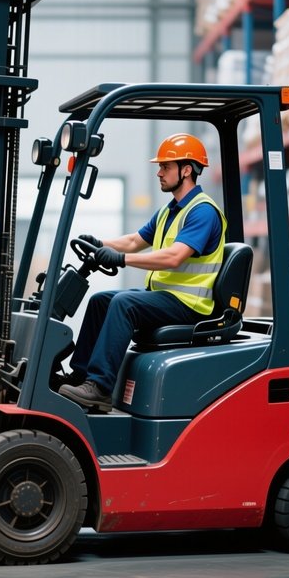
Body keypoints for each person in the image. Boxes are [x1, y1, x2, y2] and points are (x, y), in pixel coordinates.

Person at [58, 133, 227, 412]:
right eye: (159, 167)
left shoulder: (203, 212)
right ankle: (82, 375)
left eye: (165, 167)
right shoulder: (169, 211)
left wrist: (122, 259)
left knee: (124, 304)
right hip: (166, 297)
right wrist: (100, 243)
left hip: (190, 305)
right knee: (102, 301)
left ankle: (100, 388)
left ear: (187, 170)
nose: (159, 173)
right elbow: (136, 241)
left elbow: (175, 257)